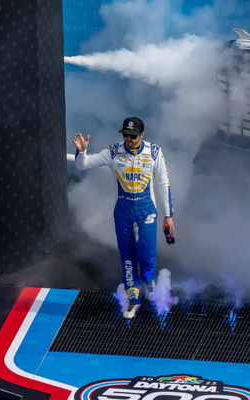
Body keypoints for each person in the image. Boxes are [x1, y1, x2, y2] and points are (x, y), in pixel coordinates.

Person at [73, 117, 175, 319]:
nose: (129, 139)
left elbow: (164, 184)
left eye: (133, 136)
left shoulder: (154, 152)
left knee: (145, 254)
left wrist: (169, 216)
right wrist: (82, 151)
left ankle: (149, 281)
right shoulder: (113, 151)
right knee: (127, 254)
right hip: (123, 209)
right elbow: (82, 166)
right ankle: (133, 297)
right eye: (125, 135)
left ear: (142, 135)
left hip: (147, 209)